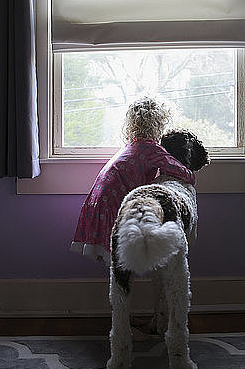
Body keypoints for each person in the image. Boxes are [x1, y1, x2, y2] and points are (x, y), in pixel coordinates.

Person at [70, 96, 195, 265]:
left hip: (98, 201)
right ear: (159, 125)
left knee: (116, 263)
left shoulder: (131, 146)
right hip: (114, 204)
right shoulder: (152, 149)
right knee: (123, 260)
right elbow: (184, 174)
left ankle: (119, 288)